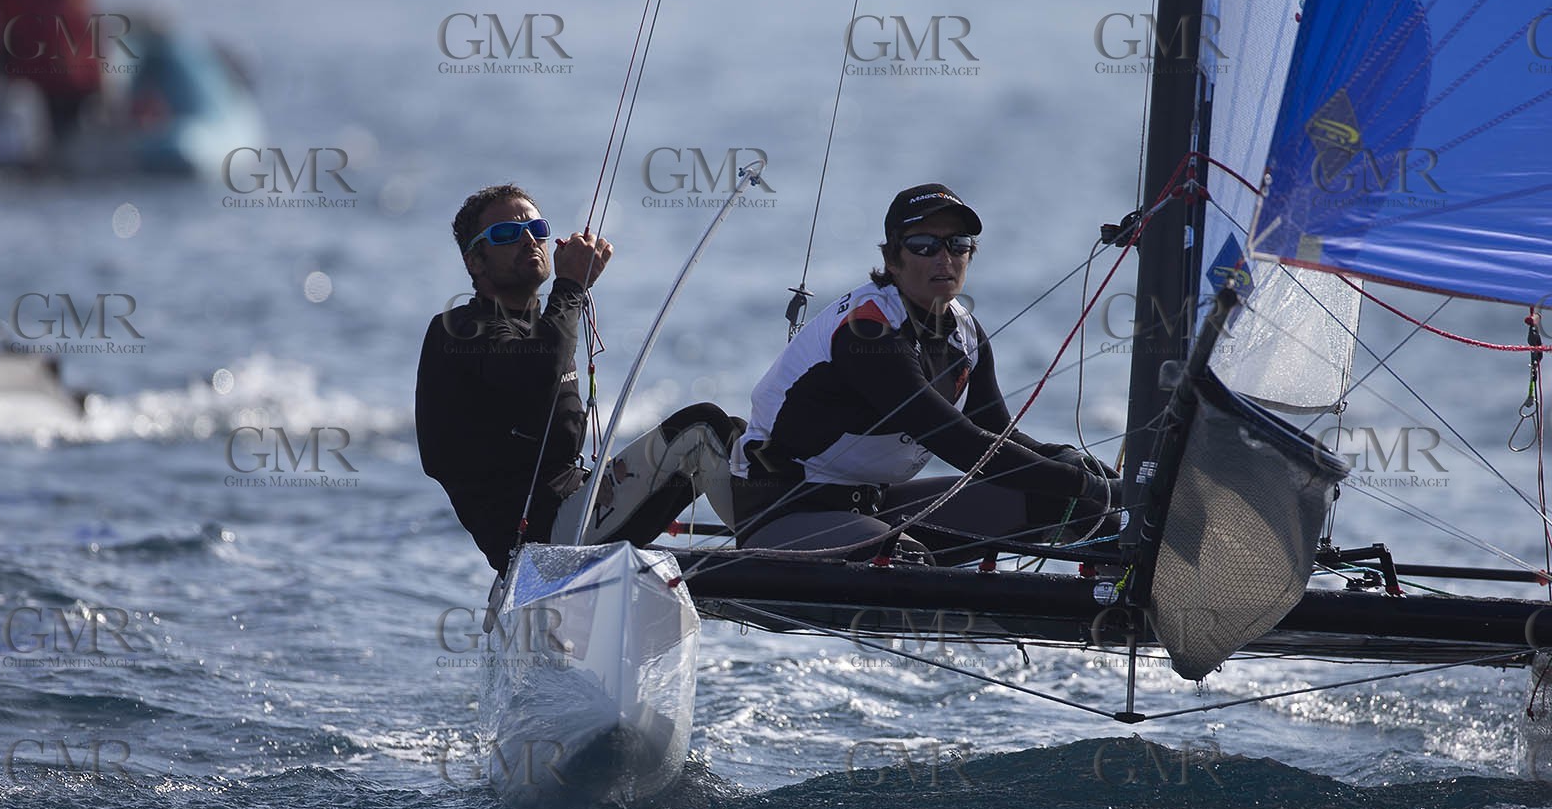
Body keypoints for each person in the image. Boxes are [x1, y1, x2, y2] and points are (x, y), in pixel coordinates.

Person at [730, 182, 1118, 563]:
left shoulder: (965, 333)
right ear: (892, 259)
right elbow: (954, 440)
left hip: (874, 508)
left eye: (958, 244)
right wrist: (1082, 483)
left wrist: (1071, 463)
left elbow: (997, 435)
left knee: (1071, 504)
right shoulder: (867, 330)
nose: (943, 258)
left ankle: (1127, 602)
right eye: (923, 245)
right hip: (787, 514)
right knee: (903, 561)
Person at [416, 183, 742, 573]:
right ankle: (774, 548)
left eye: (537, 231)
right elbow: (540, 372)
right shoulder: (457, 329)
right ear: (475, 261)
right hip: (539, 542)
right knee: (701, 427)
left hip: (576, 508)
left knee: (733, 434)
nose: (528, 241)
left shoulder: (546, 324)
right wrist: (570, 286)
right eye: (506, 234)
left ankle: (803, 528)